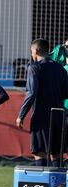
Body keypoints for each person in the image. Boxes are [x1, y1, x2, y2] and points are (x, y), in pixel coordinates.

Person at [16, 39, 68, 167]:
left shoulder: (34, 67)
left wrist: (21, 115)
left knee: (40, 151)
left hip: (42, 115)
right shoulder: (60, 68)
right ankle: (57, 186)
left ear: (36, 51)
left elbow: (31, 93)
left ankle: (42, 186)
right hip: (58, 115)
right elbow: (66, 93)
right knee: (56, 153)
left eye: (32, 51)